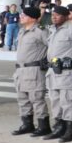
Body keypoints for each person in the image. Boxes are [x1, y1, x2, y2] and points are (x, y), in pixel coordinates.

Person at [43, 4, 72, 142]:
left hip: (68, 71)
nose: (54, 17)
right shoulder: (53, 30)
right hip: (53, 71)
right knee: (55, 101)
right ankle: (59, 127)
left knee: (68, 101)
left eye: (57, 15)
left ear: (66, 16)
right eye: (53, 15)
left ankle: (71, 130)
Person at [10, 7, 48, 136]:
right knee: (23, 99)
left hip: (34, 70)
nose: (21, 17)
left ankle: (43, 126)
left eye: (24, 15)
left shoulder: (40, 31)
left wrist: (47, 61)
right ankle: (27, 125)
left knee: (37, 99)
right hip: (20, 70)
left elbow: (53, 47)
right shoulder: (22, 31)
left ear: (32, 18)